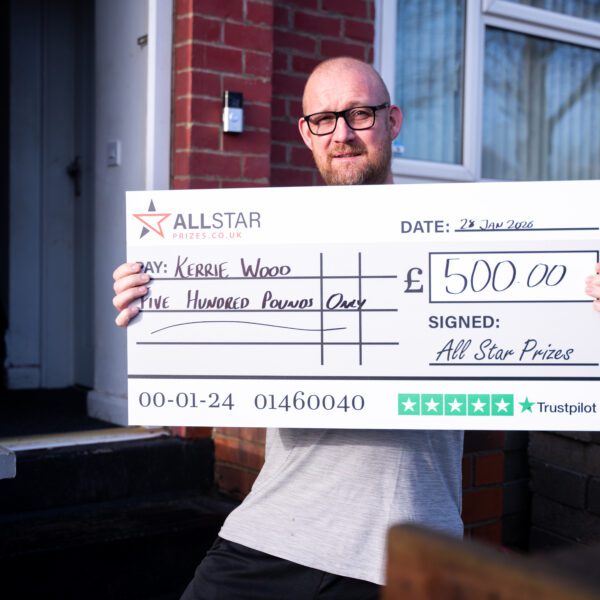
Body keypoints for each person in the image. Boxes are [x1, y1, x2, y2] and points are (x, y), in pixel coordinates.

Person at [113, 57, 600, 599]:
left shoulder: (461, 237)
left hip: (405, 554)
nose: (341, 134)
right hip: (273, 536)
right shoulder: (272, 243)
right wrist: (153, 299)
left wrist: (589, 312)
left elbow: (544, 341)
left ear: (393, 121)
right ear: (306, 133)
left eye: (359, 114)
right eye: (324, 119)